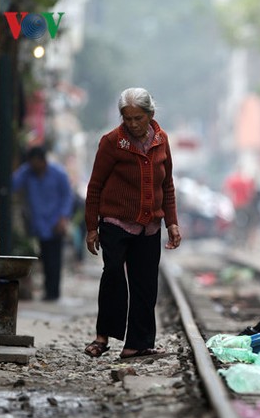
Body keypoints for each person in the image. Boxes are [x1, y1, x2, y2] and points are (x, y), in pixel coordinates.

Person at [83, 88, 182, 359]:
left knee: (145, 284)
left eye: (138, 118)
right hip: (116, 221)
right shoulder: (111, 142)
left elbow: (167, 184)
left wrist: (171, 222)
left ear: (150, 114)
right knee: (113, 274)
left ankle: (137, 344)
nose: (133, 124)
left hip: (150, 225)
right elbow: (95, 187)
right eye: (127, 119)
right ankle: (103, 337)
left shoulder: (161, 141)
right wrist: (92, 226)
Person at [12, 146, 74, 301]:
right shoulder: (27, 172)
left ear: (43, 161)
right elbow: (12, 184)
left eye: (36, 163)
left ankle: (53, 293)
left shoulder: (58, 173)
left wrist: (63, 218)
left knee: (54, 260)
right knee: (44, 259)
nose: (35, 167)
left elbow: (67, 197)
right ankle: (48, 291)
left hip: (55, 223)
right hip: (38, 225)